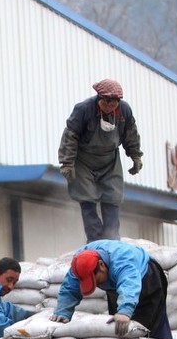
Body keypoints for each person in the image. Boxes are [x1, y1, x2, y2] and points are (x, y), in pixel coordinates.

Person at [58, 79, 143, 242]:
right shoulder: (83, 110)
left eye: (115, 102)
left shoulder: (124, 111)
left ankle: (111, 238)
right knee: (87, 198)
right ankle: (95, 239)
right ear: (99, 98)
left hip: (110, 161)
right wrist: (67, 163)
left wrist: (136, 156)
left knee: (112, 198)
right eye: (107, 101)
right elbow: (70, 136)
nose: (111, 105)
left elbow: (131, 134)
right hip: (83, 161)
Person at [50, 240, 173, 339]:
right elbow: (69, 287)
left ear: (101, 265)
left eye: (95, 280)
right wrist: (63, 311)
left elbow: (129, 285)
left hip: (147, 279)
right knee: (119, 330)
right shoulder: (80, 263)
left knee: (150, 330)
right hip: (116, 285)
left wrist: (125, 311)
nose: (96, 285)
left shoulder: (122, 262)